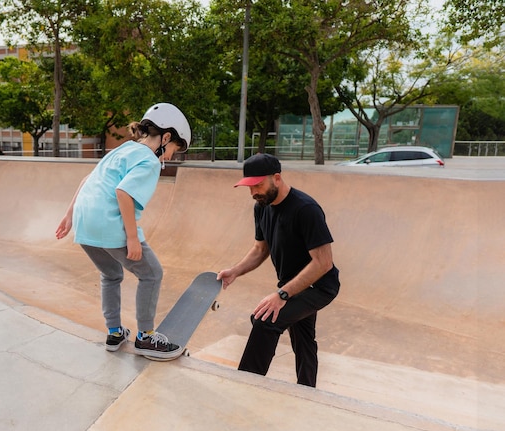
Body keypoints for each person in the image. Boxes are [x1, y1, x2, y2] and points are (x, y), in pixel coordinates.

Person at [55, 103, 191, 360]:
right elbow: (123, 193)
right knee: (152, 274)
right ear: (166, 137)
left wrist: (69, 215)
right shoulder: (149, 160)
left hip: (85, 222)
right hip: (108, 222)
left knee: (110, 273)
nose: (171, 156)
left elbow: (87, 180)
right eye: (174, 149)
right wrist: (132, 238)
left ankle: (115, 332)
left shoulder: (123, 149)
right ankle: (146, 337)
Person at [217, 153, 340, 387]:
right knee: (303, 339)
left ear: (277, 178)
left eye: (258, 186)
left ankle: (245, 384)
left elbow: (323, 263)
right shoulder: (261, 207)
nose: (254, 193)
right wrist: (235, 271)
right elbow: (259, 249)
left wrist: (282, 294)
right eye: (249, 188)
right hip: (292, 284)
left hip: (319, 286)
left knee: (265, 320)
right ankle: (307, 390)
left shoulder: (306, 209)